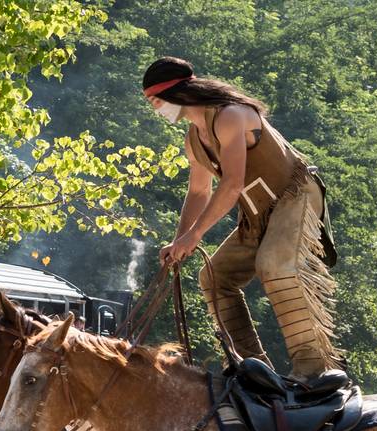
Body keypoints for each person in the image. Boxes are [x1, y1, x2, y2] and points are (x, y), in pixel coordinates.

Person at [143, 57, 341, 382]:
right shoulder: (193, 139)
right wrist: (180, 241)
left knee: (274, 265)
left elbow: (232, 184)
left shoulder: (231, 115)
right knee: (213, 278)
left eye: (155, 100)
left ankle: (315, 370)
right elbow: (197, 193)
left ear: (176, 92)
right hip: (257, 215)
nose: (155, 109)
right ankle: (254, 369)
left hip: (296, 197)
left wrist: (194, 237)